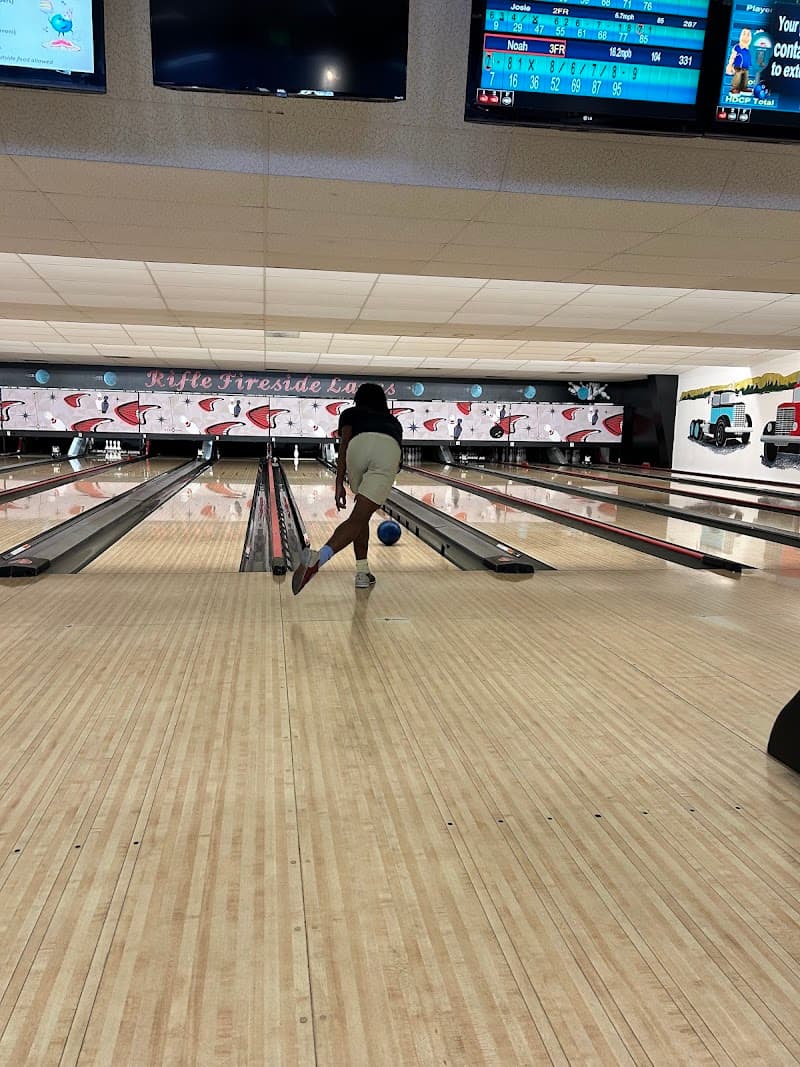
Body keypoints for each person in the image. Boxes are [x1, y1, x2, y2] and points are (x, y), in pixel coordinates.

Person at [292, 383, 402, 595]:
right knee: (360, 517)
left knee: (361, 517)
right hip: (387, 449)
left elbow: (344, 445)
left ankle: (362, 572)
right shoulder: (393, 421)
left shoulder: (350, 413)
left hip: (356, 449)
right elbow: (397, 462)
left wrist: (338, 482)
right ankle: (319, 558)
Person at [727, 27, 752, 94]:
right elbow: (732, 57)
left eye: (748, 35)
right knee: (737, 77)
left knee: (745, 78)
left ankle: (744, 88)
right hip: (738, 67)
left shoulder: (749, 49)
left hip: (746, 67)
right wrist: (730, 65)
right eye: (744, 34)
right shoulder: (737, 47)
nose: (746, 37)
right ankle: (734, 88)